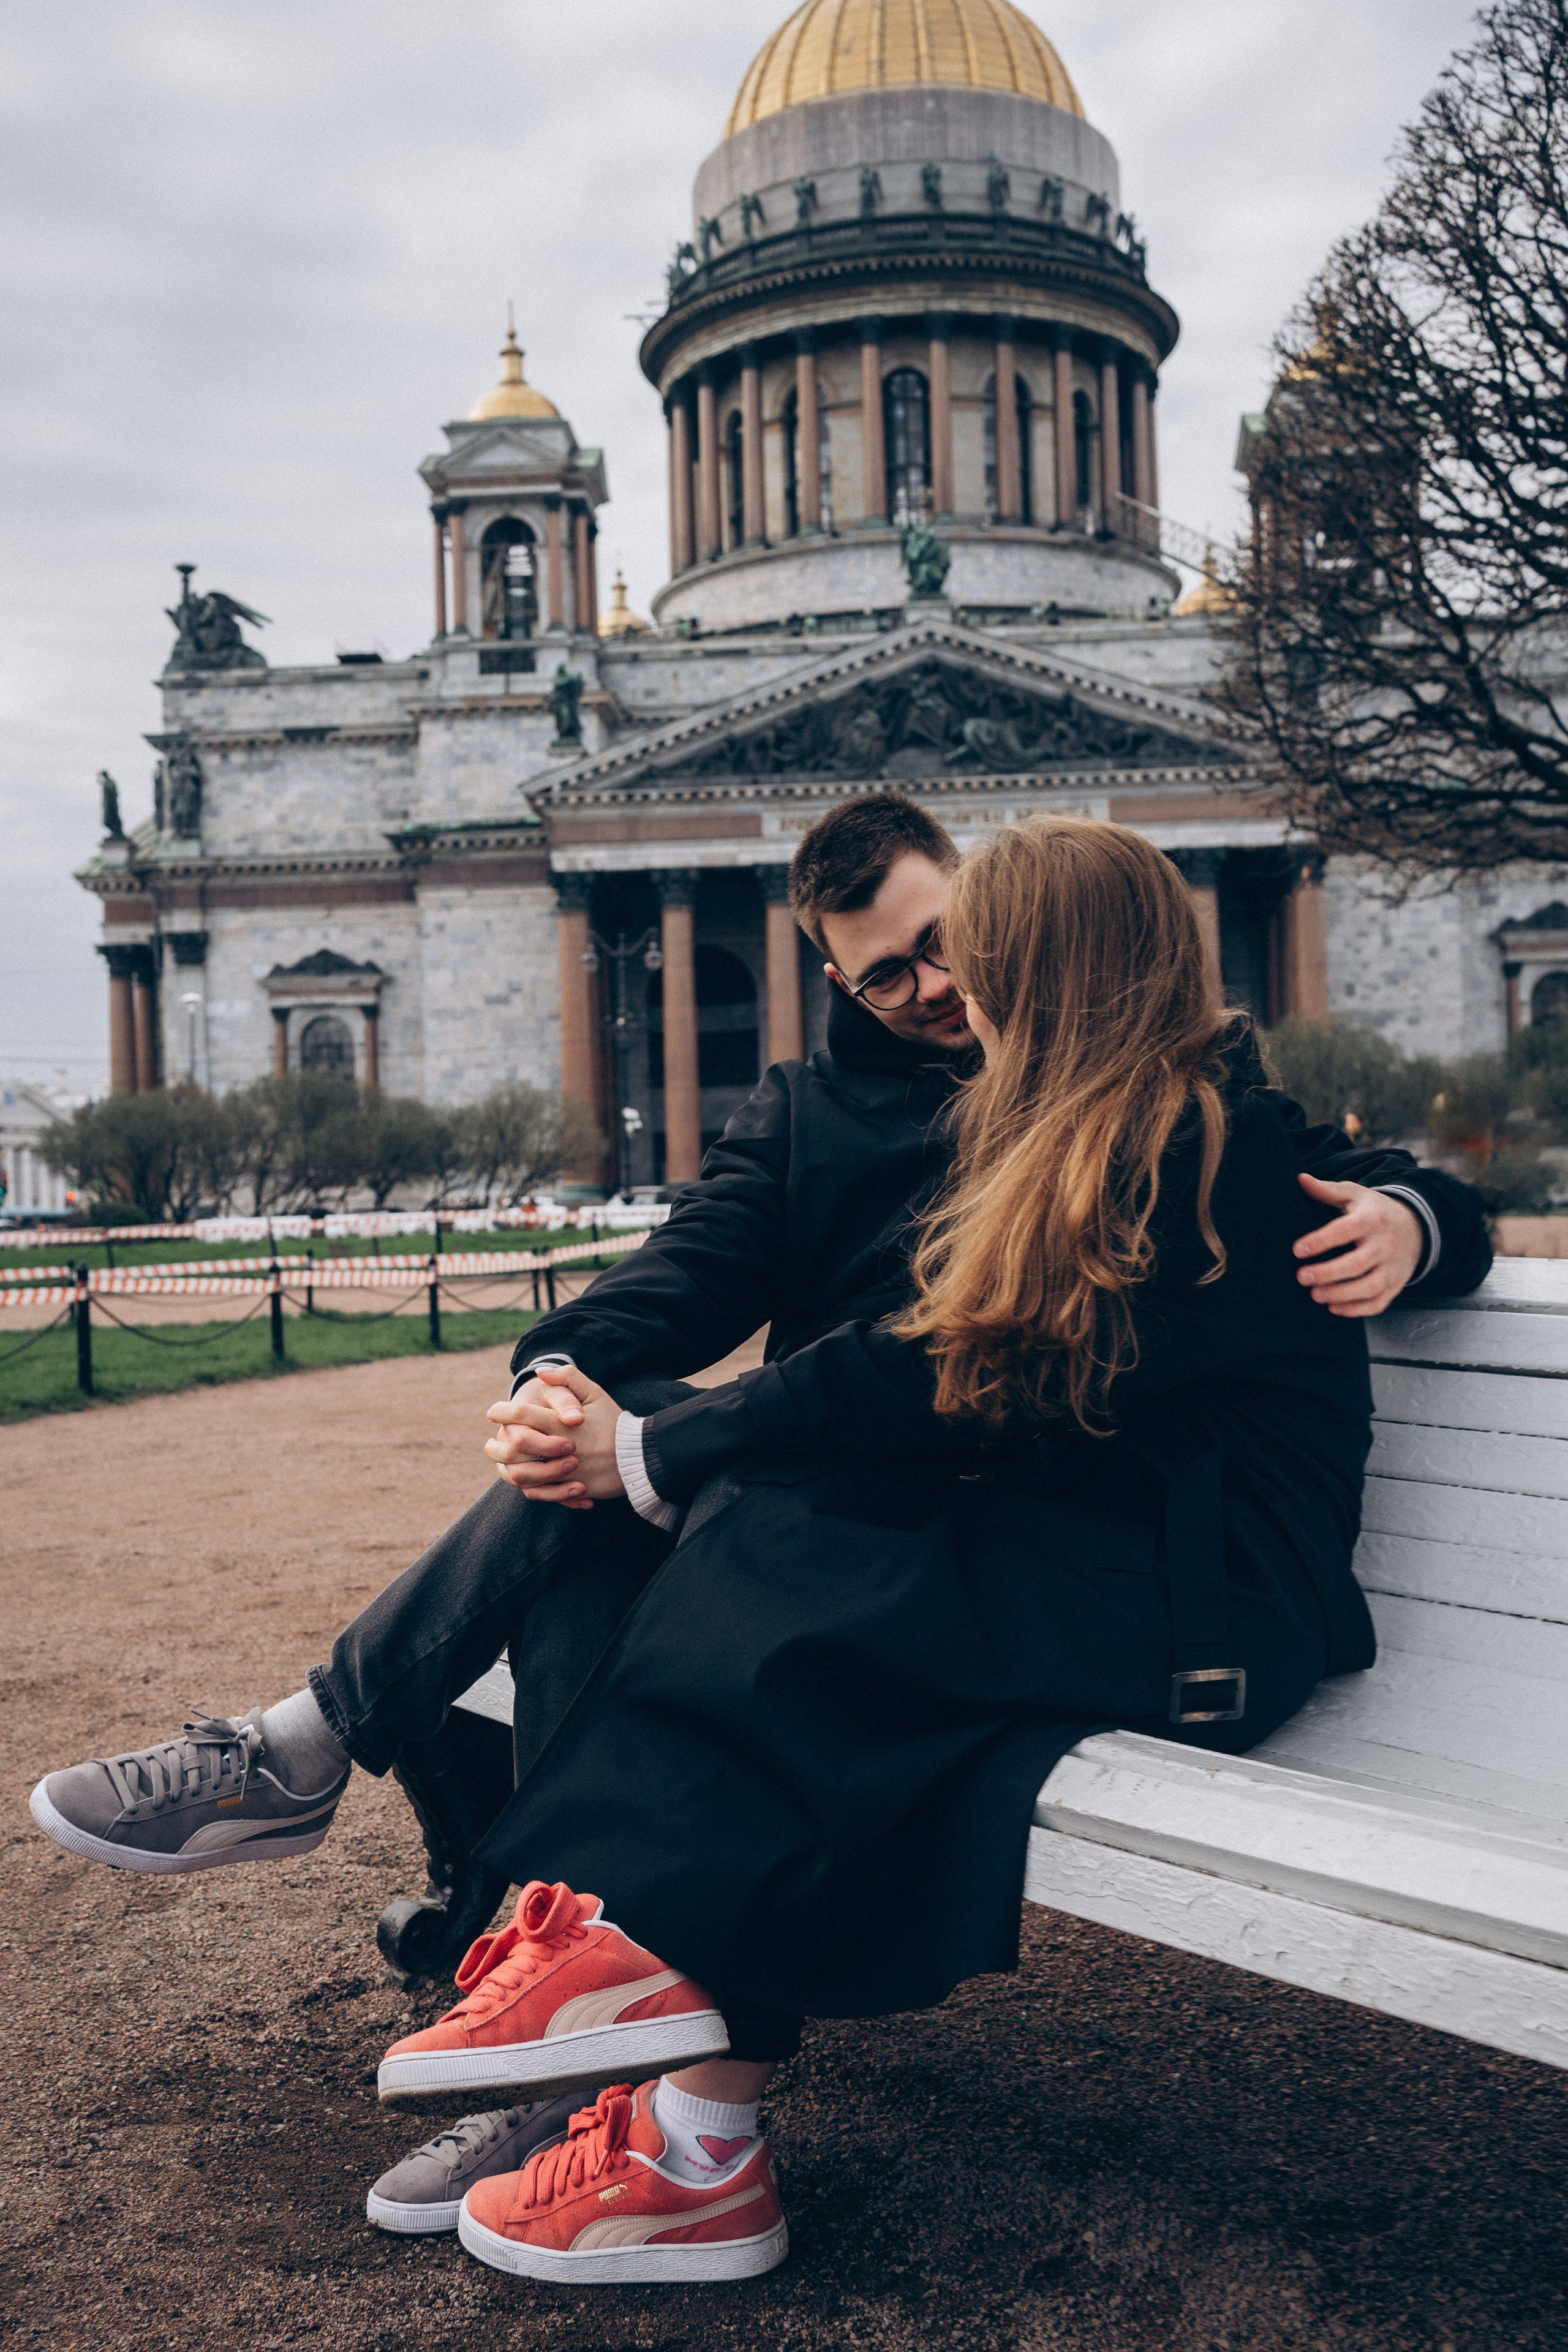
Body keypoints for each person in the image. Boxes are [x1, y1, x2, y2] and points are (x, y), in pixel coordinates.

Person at [28, 805, 1488, 2252]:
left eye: (961, 950)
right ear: (838, 983)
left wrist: (1419, 1220)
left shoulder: (1169, 1127)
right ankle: (607, 2040)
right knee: (631, 1528)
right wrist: (569, 1397)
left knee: (743, 1527)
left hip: (1105, 1568)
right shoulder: (893, 1111)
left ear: (1038, 951)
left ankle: (541, 1928)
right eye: (896, 971)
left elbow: (951, 1361)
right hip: (973, 1524)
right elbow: (705, 1297)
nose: (944, 991)